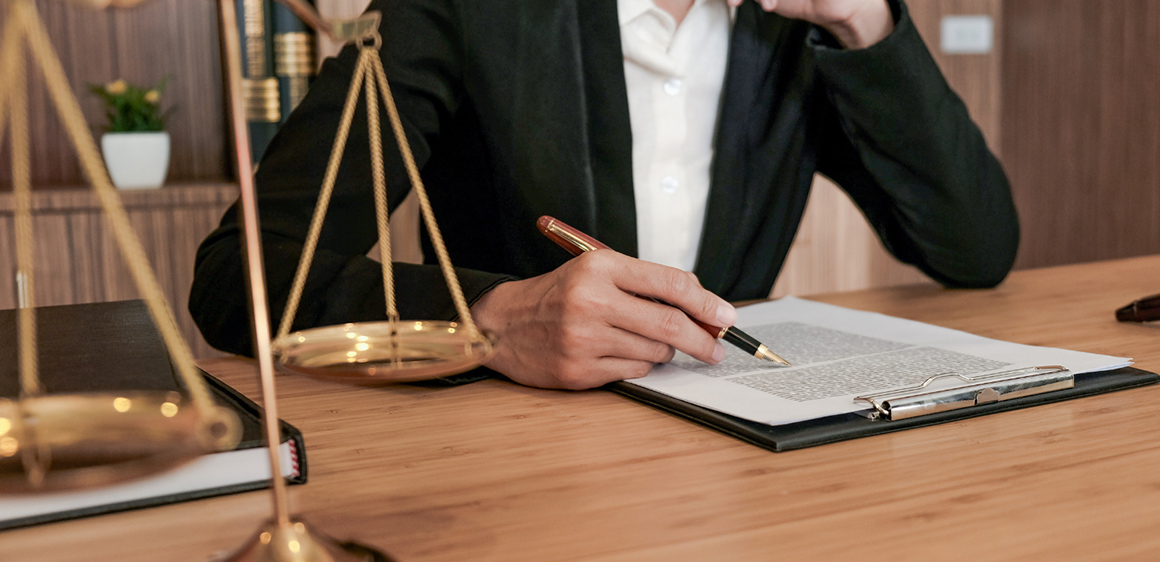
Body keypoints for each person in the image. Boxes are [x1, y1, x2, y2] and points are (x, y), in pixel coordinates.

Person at [190, 0, 1019, 391]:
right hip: (509, 461)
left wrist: (865, 20)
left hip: (749, 458)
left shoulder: (794, 24)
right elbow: (239, 279)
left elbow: (975, 248)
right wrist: (491, 319)